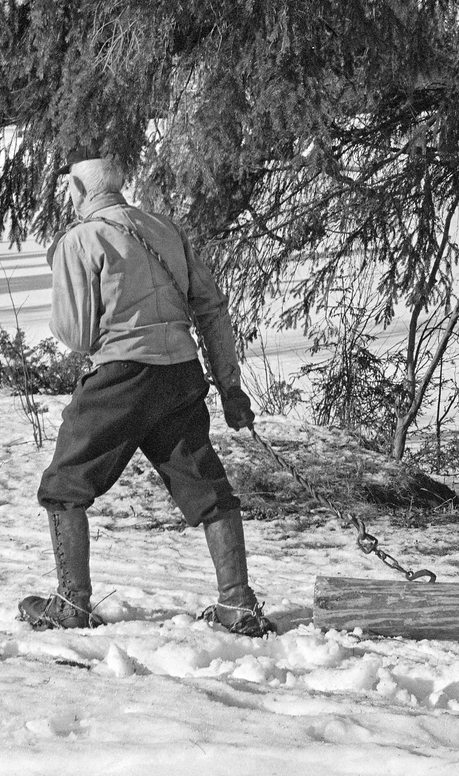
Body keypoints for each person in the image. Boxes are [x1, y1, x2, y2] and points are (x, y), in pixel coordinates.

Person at [18, 152, 275, 637]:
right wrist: (230, 387)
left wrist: (62, 272)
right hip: (179, 375)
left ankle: (71, 602)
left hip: (121, 377)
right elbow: (212, 308)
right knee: (206, 486)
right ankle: (237, 603)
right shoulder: (164, 229)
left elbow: (75, 335)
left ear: (77, 190)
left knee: (64, 486)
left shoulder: (81, 240)